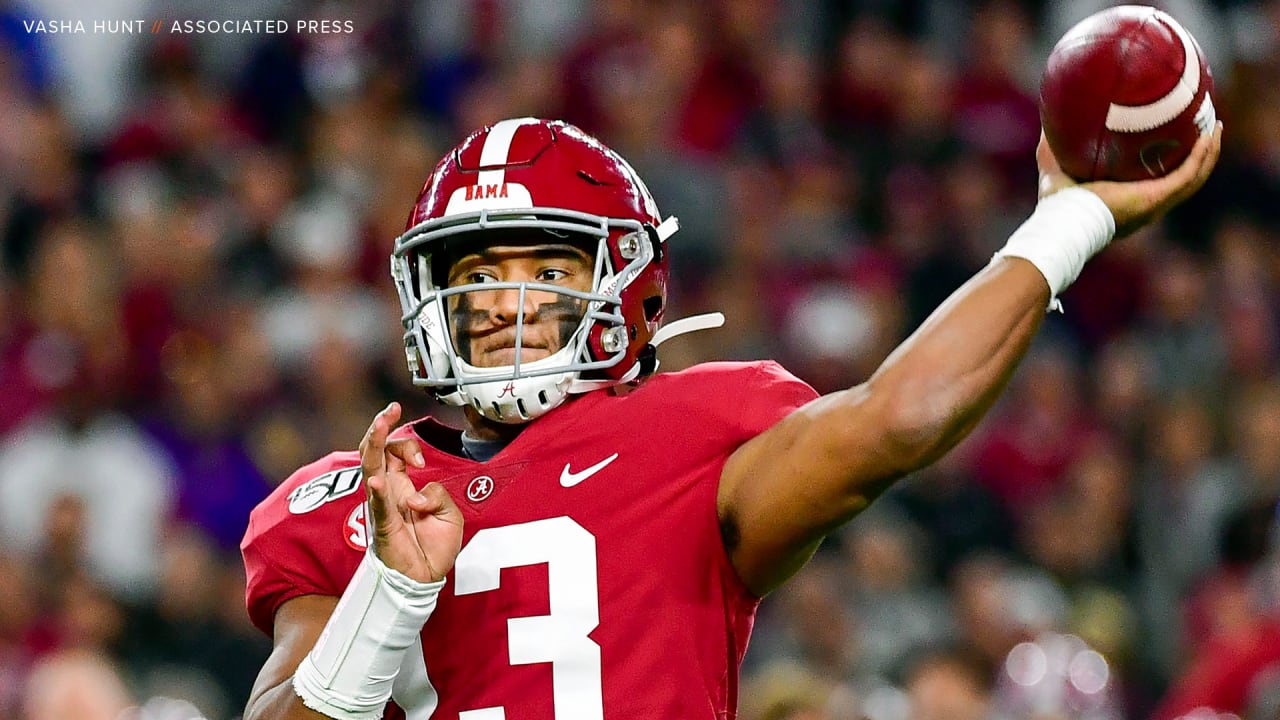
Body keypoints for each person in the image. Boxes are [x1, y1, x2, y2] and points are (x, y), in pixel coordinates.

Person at [240, 117, 1222, 720]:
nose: (506, 302)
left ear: (627, 286)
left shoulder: (689, 433)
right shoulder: (352, 497)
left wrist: (1066, 220)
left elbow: (897, 417)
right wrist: (387, 594)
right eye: (477, 274)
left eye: (545, 271)